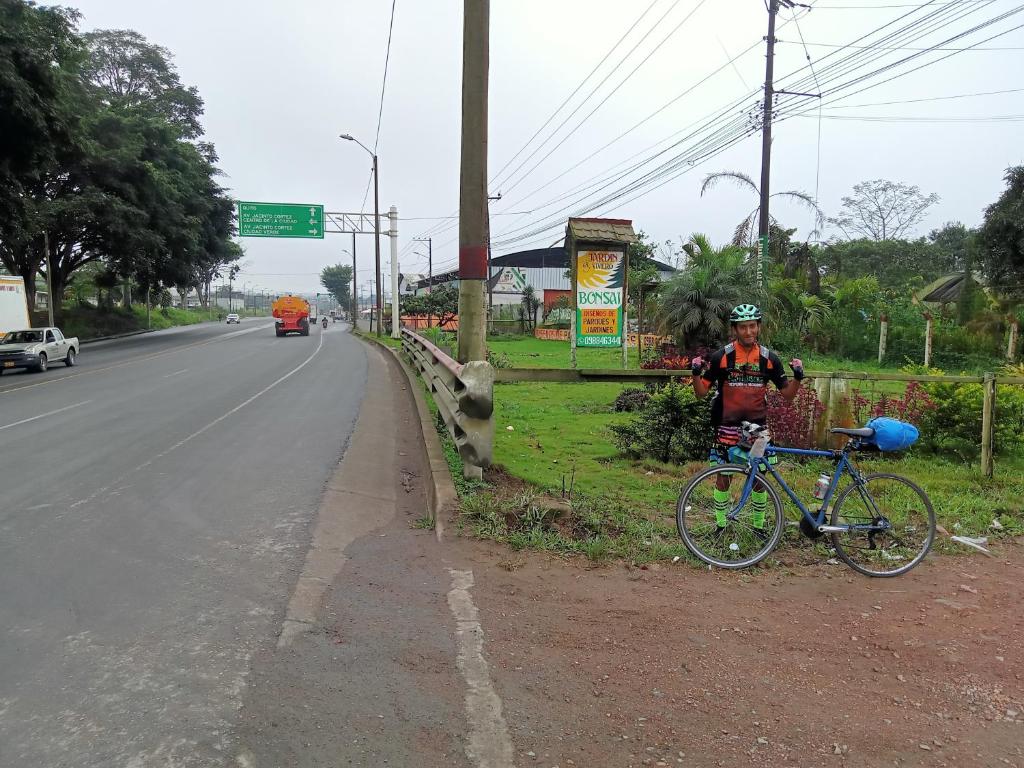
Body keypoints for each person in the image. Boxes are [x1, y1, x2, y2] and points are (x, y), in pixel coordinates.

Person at [690, 304, 805, 534]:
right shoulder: (721, 357)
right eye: (743, 327)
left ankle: (758, 527)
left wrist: (798, 377)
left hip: (757, 430)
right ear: (735, 329)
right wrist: (695, 374)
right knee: (723, 477)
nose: (748, 332)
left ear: (759, 327)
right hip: (727, 428)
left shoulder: (769, 359)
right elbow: (701, 392)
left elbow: (788, 395)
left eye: (752, 326)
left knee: (759, 481)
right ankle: (721, 526)